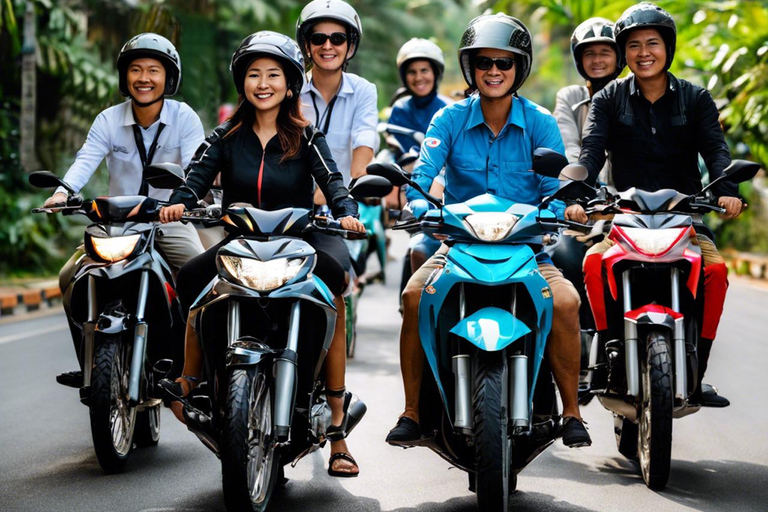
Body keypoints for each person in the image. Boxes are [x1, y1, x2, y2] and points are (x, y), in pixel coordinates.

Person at [158, 32, 365, 477]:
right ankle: (189, 380)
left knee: (337, 288)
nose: (263, 82)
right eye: (254, 74)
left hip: (297, 246)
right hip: (239, 245)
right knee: (193, 280)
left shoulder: (308, 137)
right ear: (243, 83)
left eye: (273, 74)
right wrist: (180, 200)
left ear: (291, 84)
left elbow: (333, 183)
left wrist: (347, 212)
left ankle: (336, 426)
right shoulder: (226, 135)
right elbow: (195, 177)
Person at [385, 13, 592, 448]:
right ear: (470, 69)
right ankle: (413, 410)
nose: (494, 72)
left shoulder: (538, 121)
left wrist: (563, 206)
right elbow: (422, 178)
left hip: (526, 250)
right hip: (460, 246)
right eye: (484, 63)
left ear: (519, 68)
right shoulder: (449, 119)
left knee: (568, 301)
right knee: (412, 296)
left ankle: (571, 412)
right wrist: (418, 203)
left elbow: (556, 186)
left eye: (504, 63)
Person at [574, 2, 745, 407]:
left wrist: (729, 188)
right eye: (633, 45)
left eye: (653, 42)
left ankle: (697, 368)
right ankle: (607, 354)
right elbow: (592, 151)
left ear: (667, 47)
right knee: (593, 264)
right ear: (624, 52)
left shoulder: (695, 98)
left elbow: (717, 152)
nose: (644, 52)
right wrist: (578, 190)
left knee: (715, 272)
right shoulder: (609, 99)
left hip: (684, 217)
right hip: (623, 215)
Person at [45, 33, 205, 387]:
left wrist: (183, 201)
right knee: (69, 277)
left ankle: (197, 367)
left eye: (153, 70)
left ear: (169, 78)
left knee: (200, 275)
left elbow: (197, 165)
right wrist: (63, 193)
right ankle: (89, 363)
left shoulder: (184, 118)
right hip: (118, 225)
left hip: (169, 219)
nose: (144, 78)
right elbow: (85, 159)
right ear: (124, 77)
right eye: (135, 69)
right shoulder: (108, 120)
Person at [296, 0, 378, 186]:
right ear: (307, 46)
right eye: (318, 38)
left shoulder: (363, 90)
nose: (327, 46)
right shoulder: (290, 89)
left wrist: (356, 183)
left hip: (342, 202)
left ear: (350, 46)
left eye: (337, 39)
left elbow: (364, 143)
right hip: (291, 202)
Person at [389, 38, 451, 154]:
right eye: (412, 72)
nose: (418, 78)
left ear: (435, 73)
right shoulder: (400, 110)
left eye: (424, 71)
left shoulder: (449, 110)